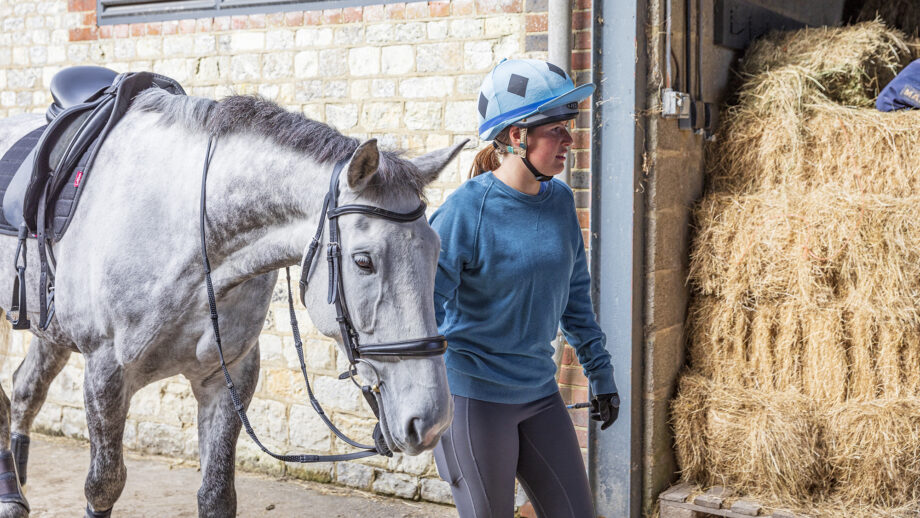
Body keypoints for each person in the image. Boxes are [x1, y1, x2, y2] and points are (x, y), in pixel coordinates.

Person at [429, 58, 620, 518]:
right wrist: (397, 395)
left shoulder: (558, 201)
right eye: (556, 128)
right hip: (474, 397)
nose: (569, 141)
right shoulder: (464, 212)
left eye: (568, 127)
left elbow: (575, 299)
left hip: (538, 392)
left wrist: (602, 374)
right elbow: (421, 310)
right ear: (518, 136)